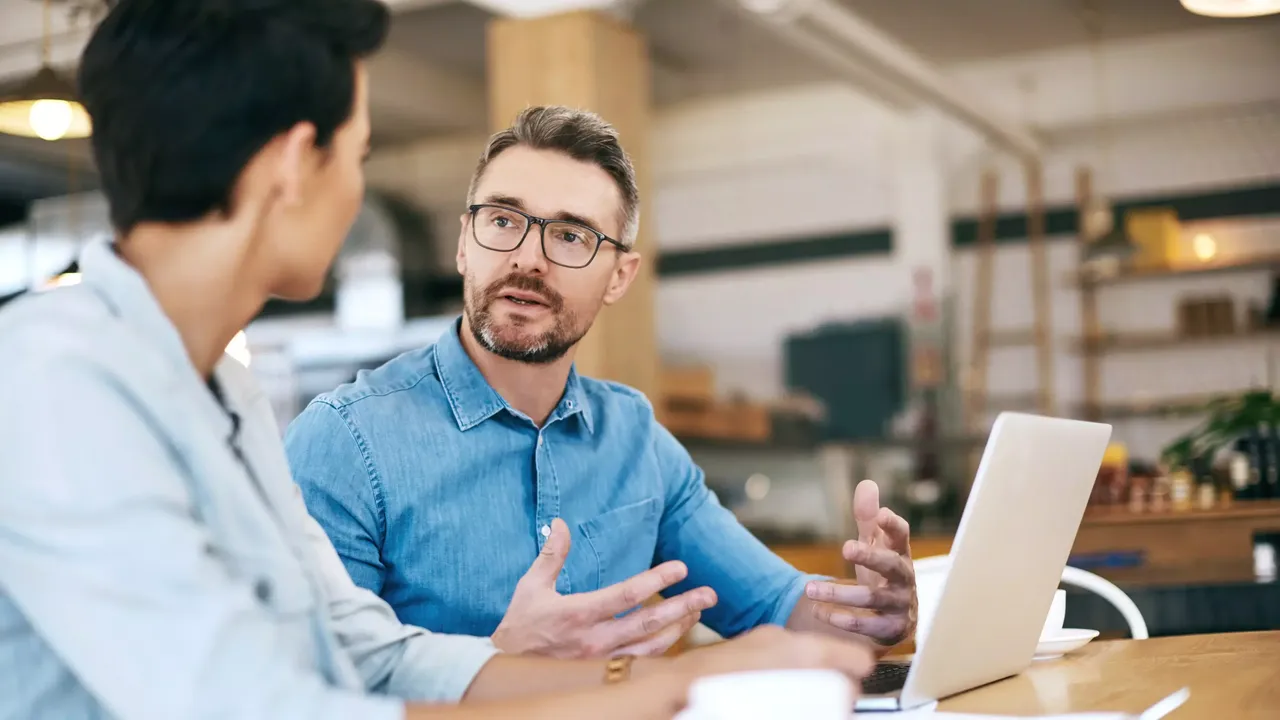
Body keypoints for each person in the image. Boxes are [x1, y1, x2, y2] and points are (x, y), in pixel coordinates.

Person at [0, 1, 878, 718]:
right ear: (293, 166)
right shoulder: (49, 381)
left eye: (571, 235)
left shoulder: (221, 390)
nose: (357, 191)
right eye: (360, 156)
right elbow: (258, 706)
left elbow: (367, 654)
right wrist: (673, 685)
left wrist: (656, 681)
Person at [284, 104, 919, 660]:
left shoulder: (635, 439)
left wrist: (871, 616)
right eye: (503, 220)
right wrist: (499, 659)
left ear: (619, 277)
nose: (527, 257)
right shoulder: (345, 442)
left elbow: (779, 608)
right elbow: (303, 690)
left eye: (570, 235)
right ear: (462, 244)